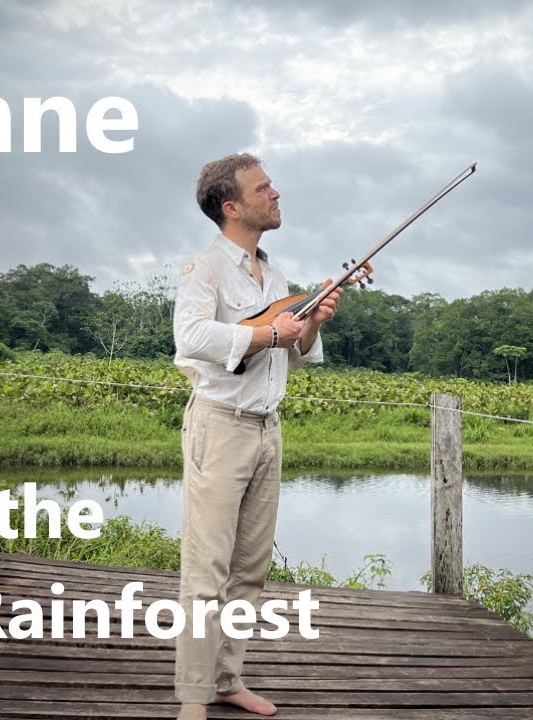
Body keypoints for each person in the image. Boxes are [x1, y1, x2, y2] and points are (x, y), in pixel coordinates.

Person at [171, 153, 340, 719]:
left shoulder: (276, 277)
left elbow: (297, 354)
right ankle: (193, 701)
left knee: (249, 571)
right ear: (232, 206)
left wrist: (311, 322)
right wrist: (271, 331)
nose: (276, 193)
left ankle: (227, 680)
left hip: (269, 428)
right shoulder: (205, 269)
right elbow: (191, 335)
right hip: (220, 427)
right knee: (206, 573)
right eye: (263, 188)